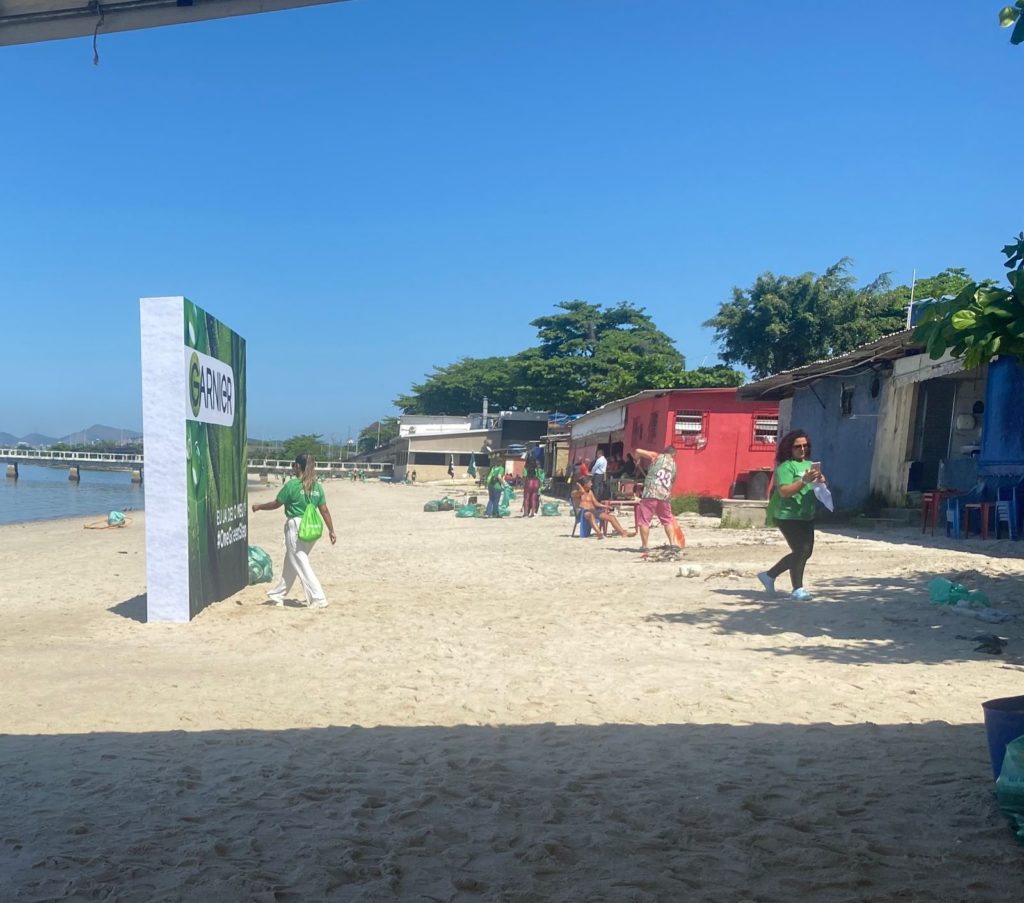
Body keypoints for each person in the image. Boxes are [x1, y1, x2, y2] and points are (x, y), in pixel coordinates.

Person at [251, 453, 336, 609]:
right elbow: (324, 510)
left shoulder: (292, 485)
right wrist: (331, 530)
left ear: (297, 466)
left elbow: (276, 503)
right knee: (292, 563)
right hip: (313, 528)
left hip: (296, 526)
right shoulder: (317, 487)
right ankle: (278, 594)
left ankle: (319, 598)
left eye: (293, 465)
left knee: (301, 562)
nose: (292, 468)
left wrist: (259, 506)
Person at [757, 430, 825, 601]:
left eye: (805, 446)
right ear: (789, 448)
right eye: (798, 446)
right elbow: (784, 492)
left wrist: (820, 480)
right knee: (801, 550)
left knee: (806, 552)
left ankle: (769, 575)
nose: (802, 449)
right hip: (787, 516)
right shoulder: (785, 467)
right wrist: (803, 481)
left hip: (806, 514)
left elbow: (815, 486)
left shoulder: (809, 464)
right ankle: (797, 589)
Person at [634, 446, 682, 553]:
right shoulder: (674, 465)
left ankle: (645, 546)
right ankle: (672, 544)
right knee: (667, 520)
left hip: (651, 494)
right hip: (665, 496)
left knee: (645, 521)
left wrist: (638, 459)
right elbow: (672, 482)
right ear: (674, 455)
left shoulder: (657, 456)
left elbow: (638, 450)